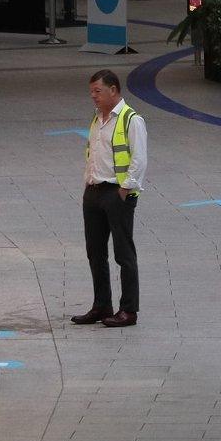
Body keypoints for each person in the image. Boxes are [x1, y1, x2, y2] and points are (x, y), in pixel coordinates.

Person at [75, 69, 147, 328]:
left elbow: (139, 160)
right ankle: (101, 304)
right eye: (91, 92)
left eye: (98, 91)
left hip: (117, 193)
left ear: (114, 90)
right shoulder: (97, 119)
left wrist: (124, 190)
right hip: (93, 191)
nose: (93, 96)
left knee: (123, 253)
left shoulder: (131, 119)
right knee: (95, 252)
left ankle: (128, 310)